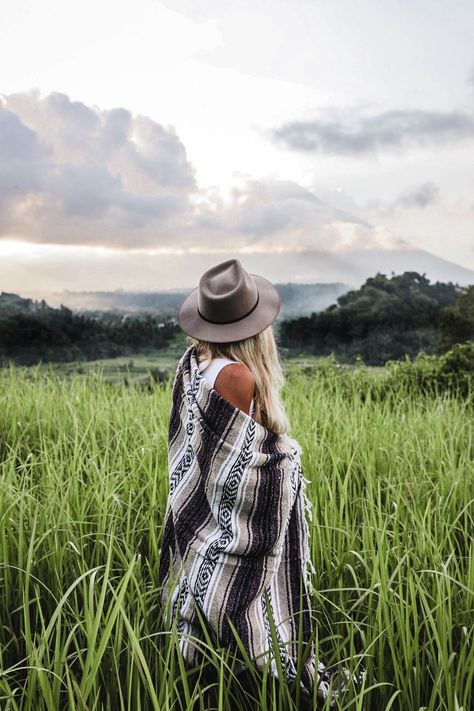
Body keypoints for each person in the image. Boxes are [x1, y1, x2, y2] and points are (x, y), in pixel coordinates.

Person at [158, 258, 365, 709]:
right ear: (255, 329)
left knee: (205, 585)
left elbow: (205, 449)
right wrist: (284, 461)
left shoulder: (194, 362)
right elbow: (242, 469)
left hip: (194, 507)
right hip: (225, 510)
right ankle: (261, 672)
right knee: (249, 600)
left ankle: (211, 668)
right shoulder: (237, 375)